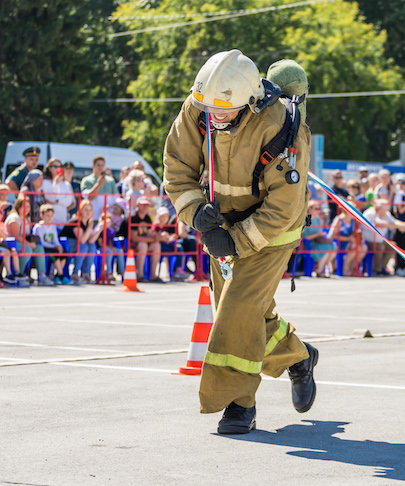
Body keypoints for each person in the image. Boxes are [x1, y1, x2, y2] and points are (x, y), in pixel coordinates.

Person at [162, 51, 318, 434]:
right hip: (220, 228)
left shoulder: (281, 126)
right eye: (208, 107)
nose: (215, 116)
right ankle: (299, 358)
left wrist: (233, 242)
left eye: (226, 110)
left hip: (271, 234)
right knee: (242, 316)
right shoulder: (199, 107)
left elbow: (282, 207)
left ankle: (237, 405)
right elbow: (177, 168)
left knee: (237, 311)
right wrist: (196, 214)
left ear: (249, 100)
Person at [4, 195, 52, 285]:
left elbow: (25, 235)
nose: (27, 208)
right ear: (18, 206)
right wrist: (29, 244)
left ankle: (42, 276)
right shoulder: (15, 218)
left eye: (28, 206)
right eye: (24, 206)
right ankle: (19, 275)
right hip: (11, 243)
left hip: (22, 242)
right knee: (27, 249)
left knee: (39, 248)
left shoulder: (26, 218)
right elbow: (16, 236)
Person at [362, 199, 405, 276]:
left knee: (393, 246)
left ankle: (382, 267)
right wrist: (397, 226)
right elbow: (380, 223)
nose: (387, 209)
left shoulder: (385, 214)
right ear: (380, 208)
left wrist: (403, 224)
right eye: (386, 207)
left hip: (380, 240)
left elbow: (394, 221)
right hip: (369, 240)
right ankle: (376, 270)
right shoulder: (370, 213)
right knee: (380, 247)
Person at [60, 200, 99, 284]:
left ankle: (86, 273)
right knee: (84, 246)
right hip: (67, 244)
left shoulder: (89, 222)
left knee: (91, 246)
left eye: (90, 210)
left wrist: (99, 230)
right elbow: (82, 240)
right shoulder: (75, 221)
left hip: (79, 245)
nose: (88, 212)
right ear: (81, 210)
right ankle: (75, 273)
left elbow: (91, 240)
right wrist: (90, 228)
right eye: (86, 210)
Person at [33, 204, 70, 285]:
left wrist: (59, 246)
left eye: (51, 215)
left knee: (64, 253)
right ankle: (61, 276)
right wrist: (55, 246)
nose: (49, 218)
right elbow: (41, 242)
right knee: (55, 253)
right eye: (47, 215)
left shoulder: (53, 226)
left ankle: (57, 276)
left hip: (52, 247)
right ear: (41, 215)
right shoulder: (38, 227)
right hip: (43, 248)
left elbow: (55, 240)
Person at [128, 197, 162, 283]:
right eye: (143, 205)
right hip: (128, 244)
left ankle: (153, 275)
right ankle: (140, 275)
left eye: (147, 205)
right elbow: (134, 237)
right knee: (143, 245)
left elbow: (150, 233)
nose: (145, 207)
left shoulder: (147, 218)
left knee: (156, 245)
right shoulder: (133, 217)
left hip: (143, 242)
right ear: (137, 205)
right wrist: (152, 239)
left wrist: (159, 235)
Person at [329, 202, 367, 276]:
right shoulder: (339, 220)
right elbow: (331, 235)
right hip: (339, 242)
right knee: (354, 246)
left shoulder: (353, 221)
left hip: (349, 242)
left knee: (363, 247)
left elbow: (352, 234)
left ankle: (351, 268)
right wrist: (348, 239)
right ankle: (345, 268)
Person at [302, 200, 337, 277]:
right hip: (308, 244)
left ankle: (321, 269)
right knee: (327, 247)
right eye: (316, 208)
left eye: (319, 208)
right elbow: (305, 237)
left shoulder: (318, 219)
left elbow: (319, 232)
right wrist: (318, 234)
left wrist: (321, 235)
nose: (318, 210)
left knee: (334, 247)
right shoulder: (306, 218)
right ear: (309, 209)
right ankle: (320, 270)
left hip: (317, 242)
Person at [80, 156, 117, 222]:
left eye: (102, 165)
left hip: (108, 219)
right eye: (98, 165)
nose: (100, 167)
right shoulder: (86, 180)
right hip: (93, 218)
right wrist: (98, 184)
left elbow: (116, 199)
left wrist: (109, 208)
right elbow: (88, 198)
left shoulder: (111, 181)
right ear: (93, 165)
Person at [41, 158, 74, 224]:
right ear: (50, 168)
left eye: (60, 166)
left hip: (62, 220)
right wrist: (55, 184)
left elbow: (69, 201)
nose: (58, 168)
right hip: (49, 222)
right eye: (56, 166)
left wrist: (57, 201)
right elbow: (50, 199)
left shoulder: (66, 184)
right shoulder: (45, 183)